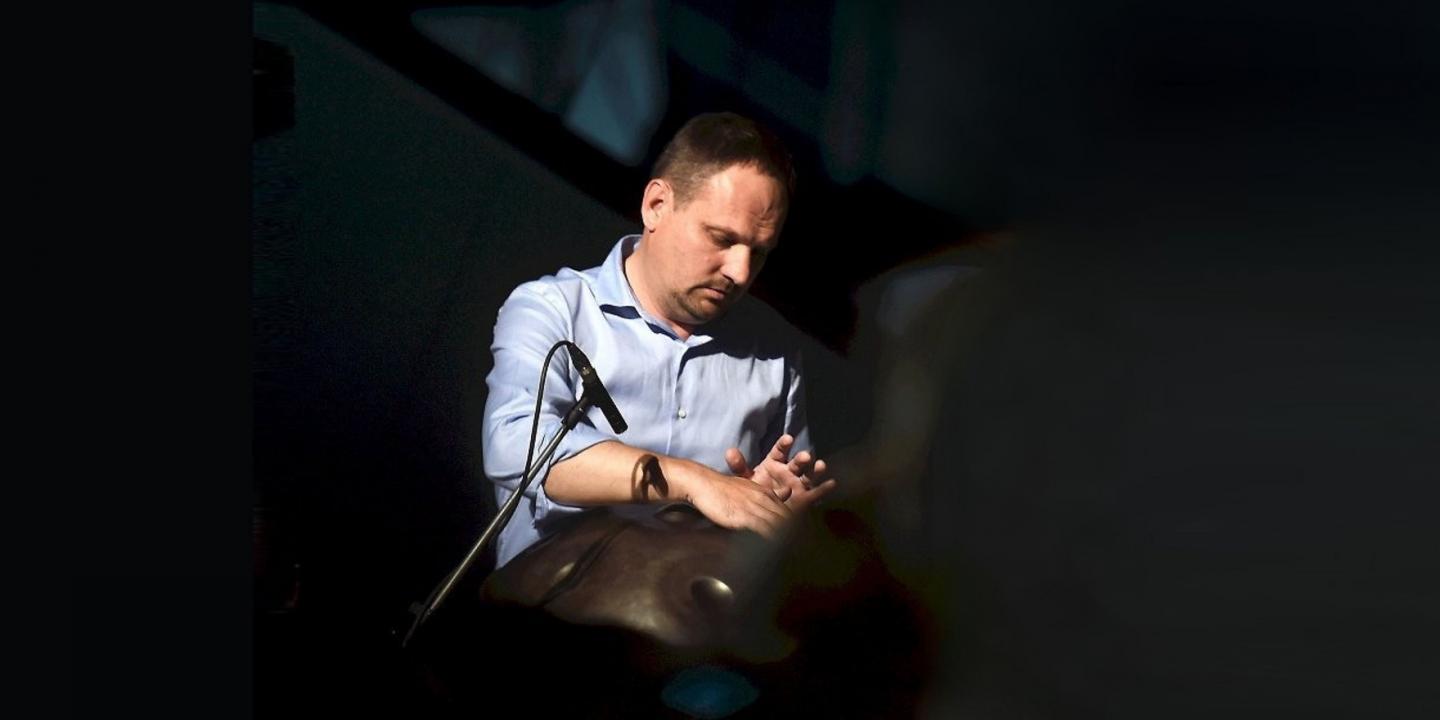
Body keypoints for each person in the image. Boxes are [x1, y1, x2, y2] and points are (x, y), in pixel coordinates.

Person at [481, 112, 837, 568]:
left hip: (680, 632)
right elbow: (512, 445)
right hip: (547, 618)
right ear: (656, 206)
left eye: (759, 252)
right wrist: (695, 482)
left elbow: (779, 509)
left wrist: (777, 513)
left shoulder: (775, 354)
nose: (740, 272)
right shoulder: (552, 309)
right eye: (722, 238)